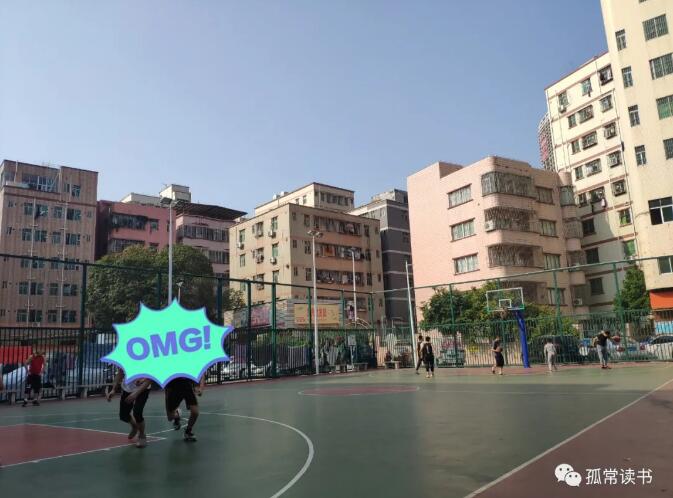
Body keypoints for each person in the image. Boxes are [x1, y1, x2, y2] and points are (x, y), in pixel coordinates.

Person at [107, 368, 152, 448]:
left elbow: (150, 379)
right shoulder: (124, 360)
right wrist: (113, 389)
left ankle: (142, 436)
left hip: (143, 389)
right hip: (127, 389)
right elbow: (120, 373)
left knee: (137, 412)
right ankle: (134, 427)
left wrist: (135, 394)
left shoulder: (147, 361)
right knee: (123, 416)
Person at [165, 375, 205, 442]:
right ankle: (177, 415)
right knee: (170, 417)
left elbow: (202, 374)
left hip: (187, 385)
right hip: (172, 386)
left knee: (195, 412)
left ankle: (188, 431)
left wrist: (201, 388)